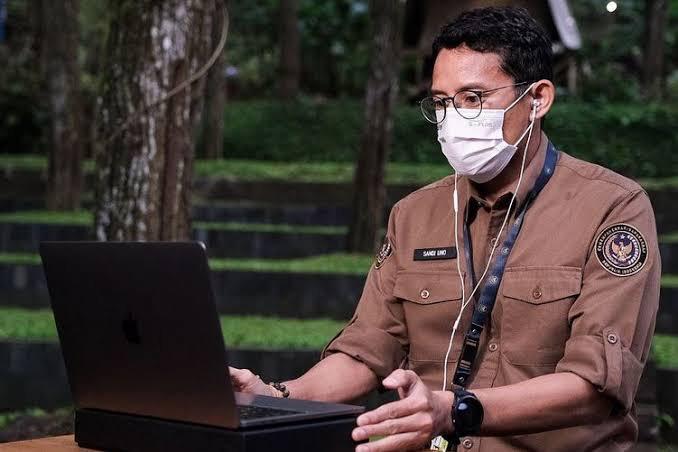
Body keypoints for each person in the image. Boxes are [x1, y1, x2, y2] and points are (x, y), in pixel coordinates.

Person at [230, 6, 660, 452]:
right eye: (441, 102)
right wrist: (276, 397)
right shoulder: (414, 215)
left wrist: (454, 410)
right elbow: (368, 351)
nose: (453, 118)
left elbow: (594, 385)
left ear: (538, 99)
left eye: (473, 98)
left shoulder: (611, 208)